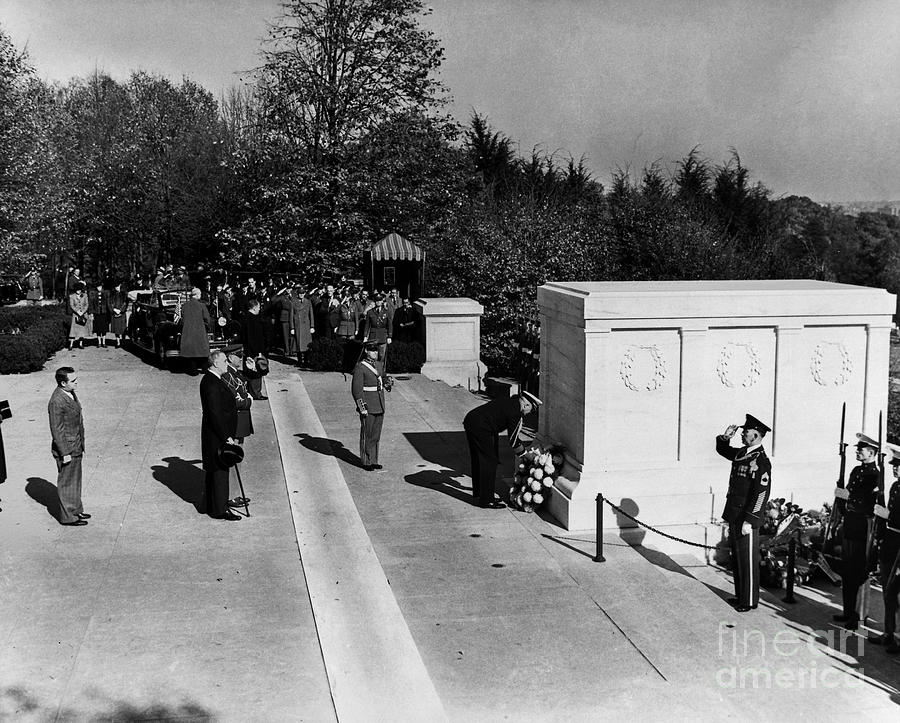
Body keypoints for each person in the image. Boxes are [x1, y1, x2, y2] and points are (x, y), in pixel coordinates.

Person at [715, 414, 772, 613]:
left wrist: (750, 519)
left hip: (747, 517)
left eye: (745, 432)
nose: (742, 434)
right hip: (735, 514)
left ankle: (748, 601)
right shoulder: (743, 453)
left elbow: (761, 494)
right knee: (738, 559)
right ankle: (741, 596)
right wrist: (725, 437)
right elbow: (723, 450)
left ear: (756, 435)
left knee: (747, 560)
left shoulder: (761, 461)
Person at [833, 432, 882, 629]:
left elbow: (870, 504)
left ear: (871, 453)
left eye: (860, 449)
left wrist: (849, 497)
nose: (857, 452)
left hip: (863, 526)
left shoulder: (876, 476)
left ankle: (859, 615)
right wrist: (841, 498)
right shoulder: (856, 470)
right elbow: (846, 496)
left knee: (860, 571)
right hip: (850, 524)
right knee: (848, 570)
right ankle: (848, 611)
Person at [463, 391, 540, 509]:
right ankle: (486, 500)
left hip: (472, 420)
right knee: (489, 461)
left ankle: (481, 493)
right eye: (531, 410)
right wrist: (525, 455)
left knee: (479, 458)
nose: (529, 414)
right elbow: (513, 441)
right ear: (526, 405)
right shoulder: (516, 412)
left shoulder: (510, 401)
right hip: (481, 426)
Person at [199, 351, 241, 521]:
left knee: (214, 472)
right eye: (224, 360)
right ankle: (219, 510)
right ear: (215, 363)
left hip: (214, 434)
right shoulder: (211, 384)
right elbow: (215, 413)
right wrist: (226, 437)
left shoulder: (213, 380)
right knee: (219, 472)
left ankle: (210, 505)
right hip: (217, 436)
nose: (226, 363)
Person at [48, 366, 89, 526]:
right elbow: (56, 429)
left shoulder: (69, 393)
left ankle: (76, 510)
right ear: (63, 383)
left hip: (76, 445)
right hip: (67, 448)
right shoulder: (57, 401)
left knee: (75, 480)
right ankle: (68, 517)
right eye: (73, 380)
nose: (76, 382)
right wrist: (64, 452)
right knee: (67, 483)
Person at [871, 442, 900, 653]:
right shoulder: (895, 486)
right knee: (887, 591)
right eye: (894, 464)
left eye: (899, 464)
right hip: (890, 542)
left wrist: (887, 515)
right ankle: (889, 632)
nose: (895, 468)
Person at [352, 342, 388, 471]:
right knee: (367, 433)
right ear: (366, 351)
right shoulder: (360, 367)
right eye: (372, 351)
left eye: (376, 351)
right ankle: (366, 461)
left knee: (376, 434)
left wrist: (388, 382)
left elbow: (383, 378)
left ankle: (374, 460)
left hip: (379, 403)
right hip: (368, 404)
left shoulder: (379, 364)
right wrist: (362, 407)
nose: (375, 353)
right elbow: (357, 390)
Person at [240, 299, 268, 400]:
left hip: (249, 349)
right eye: (259, 307)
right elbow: (253, 337)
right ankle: (256, 393)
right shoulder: (252, 319)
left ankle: (250, 391)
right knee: (257, 371)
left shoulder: (246, 317)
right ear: (254, 307)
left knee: (249, 371)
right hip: (255, 350)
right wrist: (258, 351)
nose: (260, 309)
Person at [180, 287, 211, 375]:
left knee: (191, 353)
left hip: (188, 332)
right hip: (199, 331)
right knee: (203, 352)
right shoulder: (201, 306)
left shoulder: (185, 305)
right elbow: (207, 319)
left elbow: (182, 318)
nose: (200, 296)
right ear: (197, 295)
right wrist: (207, 327)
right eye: (200, 294)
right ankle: (205, 369)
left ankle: (193, 371)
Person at [290, 285, 315, 364]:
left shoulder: (308, 302)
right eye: (300, 293)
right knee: (298, 343)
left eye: (303, 293)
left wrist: (312, 326)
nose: (301, 294)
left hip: (306, 325)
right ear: (297, 294)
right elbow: (291, 316)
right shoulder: (293, 302)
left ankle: (306, 361)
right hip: (298, 325)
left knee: (307, 344)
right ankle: (299, 360)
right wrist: (292, 328)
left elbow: (311, 315)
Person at [363, 293, 392, 360]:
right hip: (373, 336)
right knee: (372, 356)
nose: (378, 302)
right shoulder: (370, 312)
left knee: (381, 356)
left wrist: (389, 336)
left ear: (382, 301)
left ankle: (380, 369)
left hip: (383, 336)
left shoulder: (386, 312)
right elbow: (367, 325)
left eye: (380, 300)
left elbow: (389, 325)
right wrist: (365, 336)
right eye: (376, 300)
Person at [67, 284, 90, 350]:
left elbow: (86, 304)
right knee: (73, 330)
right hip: (76, 315)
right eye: (77, 290)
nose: (78, 291)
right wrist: (77, 311)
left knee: (82, 330)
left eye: (79, 290)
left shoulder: (85, 295)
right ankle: (71, 344)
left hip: (83, 314)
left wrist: (83, 311)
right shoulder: (72, 296)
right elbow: (72, 305)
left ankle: (81, 344)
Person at [88, 281, 109, 347]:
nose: (99, 288)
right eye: (97, 287)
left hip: (104, 312)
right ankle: (99, 342)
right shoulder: (93, 294)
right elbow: (91, 304)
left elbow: (108, 303)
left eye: (100, 287)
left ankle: (104, 342)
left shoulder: (106, 293)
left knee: (104, 328)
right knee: (98, 328)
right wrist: (91, 312)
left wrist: (109, 312)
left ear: (102, 287)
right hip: (96, 313)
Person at [107, 281, 128, 347]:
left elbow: (125, 303)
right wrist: (113, 309)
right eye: (116, 287)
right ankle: (118, 342)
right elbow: (109, 303)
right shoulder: (112, 294)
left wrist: (121, 310)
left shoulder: (124, 294)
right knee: (116, 329)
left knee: (123, 328)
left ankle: (123, 341)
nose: (117, 288)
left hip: (122, 313)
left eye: (118, 286)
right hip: (114, 313)